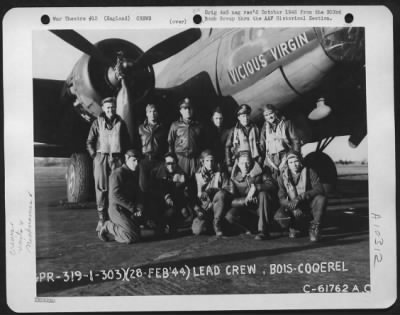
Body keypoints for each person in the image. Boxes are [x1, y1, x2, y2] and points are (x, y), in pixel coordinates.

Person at [86, 96, 131, 234]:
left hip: (117, 159)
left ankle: (115, 217)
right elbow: (90, 142)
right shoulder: (97, 123)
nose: (110, 110)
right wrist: (95, 156)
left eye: (112, 107)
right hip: (102, 158)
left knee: (117, 188)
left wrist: (124, 159)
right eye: (108, 108)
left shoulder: (121, 123)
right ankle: (102, 219)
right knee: (101, 189)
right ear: (104, 109)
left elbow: (127, 142)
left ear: (115, 108)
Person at [274, 150, 327, 242]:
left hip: (307, 204)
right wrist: (292, 207)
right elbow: (281, 198)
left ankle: (314, 228)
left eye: (296, 161)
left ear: (300, 161)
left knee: (321, 199)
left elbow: (319, 189)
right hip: (292, 207)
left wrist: (300, 197)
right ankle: (293, 227)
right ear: (287, 164)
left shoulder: (309, 172)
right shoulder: (282, 177)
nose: (294, 164)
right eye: (290, 162)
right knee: (279, 215)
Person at [225, 151, 277, 240]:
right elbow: (231, 200)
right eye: (242, 163)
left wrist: (257, 187)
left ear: (252, 162)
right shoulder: (234, 178)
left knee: (263, 194)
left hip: (260, 209)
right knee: (230, 216)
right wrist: (245, 200)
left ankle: (263, 231)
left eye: (247, 162)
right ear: (237, 163)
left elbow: (271, 185)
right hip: (245, 210)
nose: (245, 166)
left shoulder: (261, 172)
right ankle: (247, 229)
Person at [97, 149, 144, 243]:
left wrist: (139, 205)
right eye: (134, 160)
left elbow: (138, 191)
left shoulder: (133, 173)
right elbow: (115, 196)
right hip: (117, 209)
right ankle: (107, 226)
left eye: (138, 161)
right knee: (130, 237)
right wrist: (133, 208)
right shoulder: (118, 173)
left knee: (137, 235)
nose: (136, 163)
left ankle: (123, 231)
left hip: (128, 209)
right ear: (126, 159)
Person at [191, 150, 231, 237]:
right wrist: (197, 209)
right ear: (202, 162)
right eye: (207, 161)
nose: (210, 163)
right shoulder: (197, 175)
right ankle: (209, 224)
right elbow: (192, 194)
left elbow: (227, 189)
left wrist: (212, 191)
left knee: (221, 194)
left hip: (217, 206)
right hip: (204, 208)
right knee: (197, 230)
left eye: (212, 161)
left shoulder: (221, 173)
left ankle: (217, 223)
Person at [151, 152, 191, 234]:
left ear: (176, 163)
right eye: (168, 163)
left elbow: (184, 193)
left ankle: (173, 223)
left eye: (173, 163)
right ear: (164, 164)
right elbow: (154, 191)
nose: (171, 166)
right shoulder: (155, 173)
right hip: (160, 202)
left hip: (176, 203)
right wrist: (166, 197)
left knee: (182, 213)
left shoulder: (182, 175)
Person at [260, 104, 301, 179]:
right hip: (271, 158)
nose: (269, 117)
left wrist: (294, 156)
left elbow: (295, 141)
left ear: (275, 112)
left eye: (271, 113)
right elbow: (262, 145)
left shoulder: (286, 123)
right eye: (266, 115)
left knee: (288, 178)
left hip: (285, 155)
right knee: (274, 180)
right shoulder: (264, 128)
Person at [138, 103, 168, 192]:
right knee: (143, 186)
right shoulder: (140, 128)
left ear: (157, 113)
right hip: (144, 160)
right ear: (146, 114)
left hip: (158, 160)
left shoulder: (163, 128)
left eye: (154, 111)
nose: (152, 114)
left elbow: (167, 145)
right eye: (150, 111)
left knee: (158, 186)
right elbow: (136, 144)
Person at [225, 104, 261, 173]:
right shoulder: (234, 131)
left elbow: (261, 145)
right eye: (243, 116)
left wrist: (259, 161)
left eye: (247, 115)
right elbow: (227, 147)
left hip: (254, 160)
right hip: (240, 162)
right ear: (239, 117)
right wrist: (229, 164)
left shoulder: (255, 128)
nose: (246, 118)